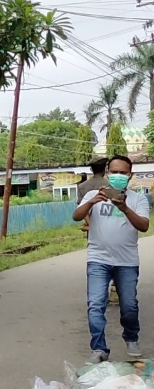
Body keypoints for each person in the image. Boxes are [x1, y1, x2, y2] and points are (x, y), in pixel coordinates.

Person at [72, 155, 150, 365]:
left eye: (123, 173)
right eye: (114, 172)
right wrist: (91, 202)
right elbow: (76, 216)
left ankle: (131, 337)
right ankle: (99, 348)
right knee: (96, 305)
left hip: (127, 261)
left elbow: (143, 226)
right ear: (107, 173)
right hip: (98, 259)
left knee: (129, 305)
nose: (118, 176)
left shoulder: (138, 199)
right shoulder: (93, 194)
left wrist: (124, 208)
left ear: (130, 175)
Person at [76, 158, 119, 304]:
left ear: (91, 170)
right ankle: (114, 289)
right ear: (105, 170)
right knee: (115, 256)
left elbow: (83, 208)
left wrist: (91, 224)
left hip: (91, 228)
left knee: (96, 258)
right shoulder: (109, 185)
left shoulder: (82, 186)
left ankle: (98, 292)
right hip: (111, 226)